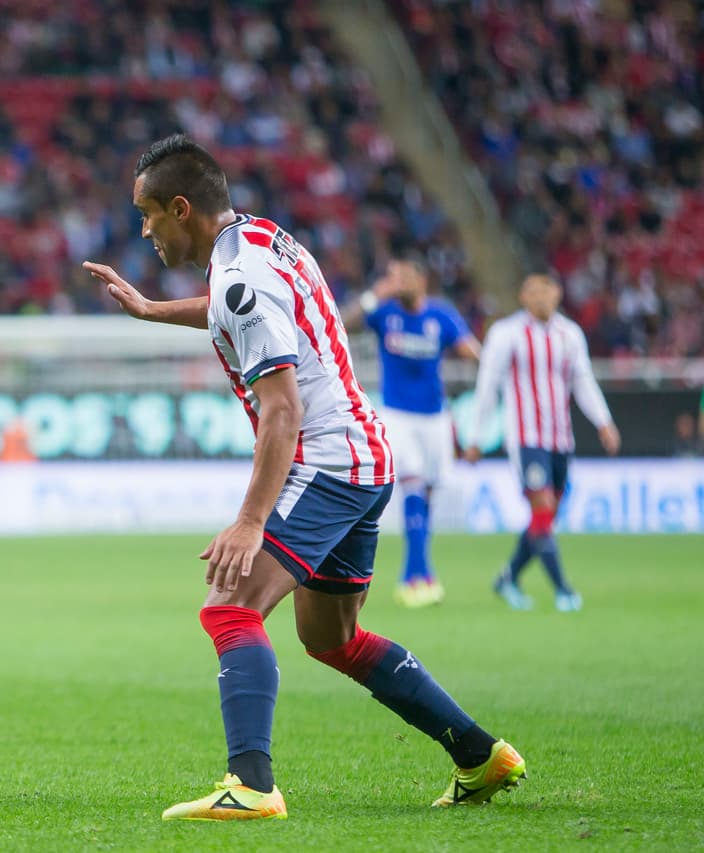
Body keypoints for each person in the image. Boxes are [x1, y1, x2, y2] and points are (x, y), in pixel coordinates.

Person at [84, 134, 525, 821]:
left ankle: (252, 784)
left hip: (328, 460)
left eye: (147, 214)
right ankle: (480, 754)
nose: (143, 230)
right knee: (332, 638)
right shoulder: (261, 241)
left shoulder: (240, 278)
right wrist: (150, 309)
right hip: (366, 455)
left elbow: (282, 412)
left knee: (229, 605)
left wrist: (251, 518)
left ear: (181, 207)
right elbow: (233, 309)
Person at [466, 274, 620, 612]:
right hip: (526, 438)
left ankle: (507, 579)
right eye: (533, 292)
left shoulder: (570, 334)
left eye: (546, 291)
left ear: (558, 294)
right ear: (523, 296)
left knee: (545, 519)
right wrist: (475, 437)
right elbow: (487, 387)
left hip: (560, 438)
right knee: (542, 508)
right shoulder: (506, 333)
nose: (540, 298)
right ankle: (564, 590)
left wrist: (604, 422)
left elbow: (583, 382)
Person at [340, 253, 480, 607]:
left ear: (422, 280)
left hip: (435, 417)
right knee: (413, 485)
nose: (398, 283)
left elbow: (471, 352)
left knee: (427, 496)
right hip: (398, 415)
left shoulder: (441, 315)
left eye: (403, 276)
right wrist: (376, 292)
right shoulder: (384, 312)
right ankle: (415, 576)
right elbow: (342, 322)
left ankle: (418, 574)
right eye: (393, 276)